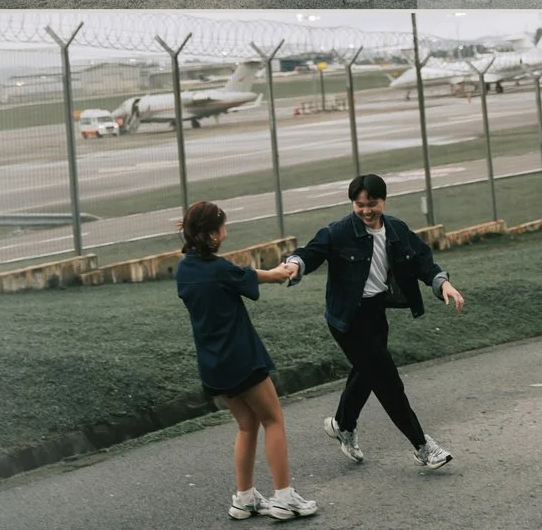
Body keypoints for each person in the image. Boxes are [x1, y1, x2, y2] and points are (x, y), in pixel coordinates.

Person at [277, 173, 467, 472]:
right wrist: (295, 264)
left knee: (366, 373)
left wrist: (442, 284)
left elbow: (422, 261)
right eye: (360, 204)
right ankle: (422, 446)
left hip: (376, 312)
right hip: (347, 318)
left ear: (384, 201)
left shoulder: (397, 229)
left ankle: (343, 424)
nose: (366, 211)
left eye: (372, 204)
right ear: (353, 203)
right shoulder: (338, 232)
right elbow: (310, 253)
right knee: (387, 380)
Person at [176, 200, 316, 521]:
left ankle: (244, 498)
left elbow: (241, 275)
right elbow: (261, 276)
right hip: (242, 359)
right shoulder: (220, 269)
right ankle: (283, 498)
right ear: (212, 235)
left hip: (213, 365)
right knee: (273, 420)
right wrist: (285, 271)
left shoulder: (184, 270)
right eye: (222, 227)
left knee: (246, 424)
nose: (226, 232)